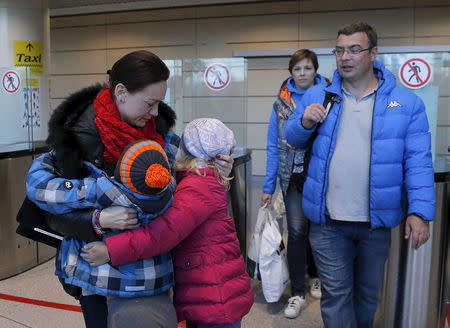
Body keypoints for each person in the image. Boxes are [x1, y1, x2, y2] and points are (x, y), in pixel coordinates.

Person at [39, 50, 233, 328]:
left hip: (151, 269)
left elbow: (189, 176)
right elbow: (50, 210)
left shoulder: (161, 135)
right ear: (121, 92)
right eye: (149, 103)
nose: (155, 112)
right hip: (98, 272)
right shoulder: (77, 140)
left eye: (159, 104)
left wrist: (215, 171)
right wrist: (97, 220)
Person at [285, 22, 435, 328]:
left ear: (373, 53)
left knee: (367, 296)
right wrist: (304, 120)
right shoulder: (320, 94)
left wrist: (419, 211)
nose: (345, 57)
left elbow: (418, 161)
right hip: (327, 223)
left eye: (354, 49)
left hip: (376, 224)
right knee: (336, 296)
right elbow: (292, 138)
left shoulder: (407, 104)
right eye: (340, 50)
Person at [82, 118, 254, 328]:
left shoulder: (198, 187)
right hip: (212, 291)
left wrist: (111, 249)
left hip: (215, 297)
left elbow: (163, 234)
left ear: (190, 150)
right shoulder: (204, 179)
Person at [26, 140, 175, 301]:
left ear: (120, 172)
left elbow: (39, 187)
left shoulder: (102, 189)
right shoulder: (169, 191)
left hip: (105, 281)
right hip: (157, 278)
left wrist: (50, 157)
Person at [260, 49, 326, 319]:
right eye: (297, 69)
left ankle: (317, 276)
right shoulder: (281, 105)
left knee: (320, 231)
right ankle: (297, 291)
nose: (302, 74)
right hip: (292, 178)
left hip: (322, 176)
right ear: (291, 72)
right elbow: (272, 147)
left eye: (307, 68)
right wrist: (268, 186)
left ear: (316, 71)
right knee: (297, 231)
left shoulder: (330, 98)